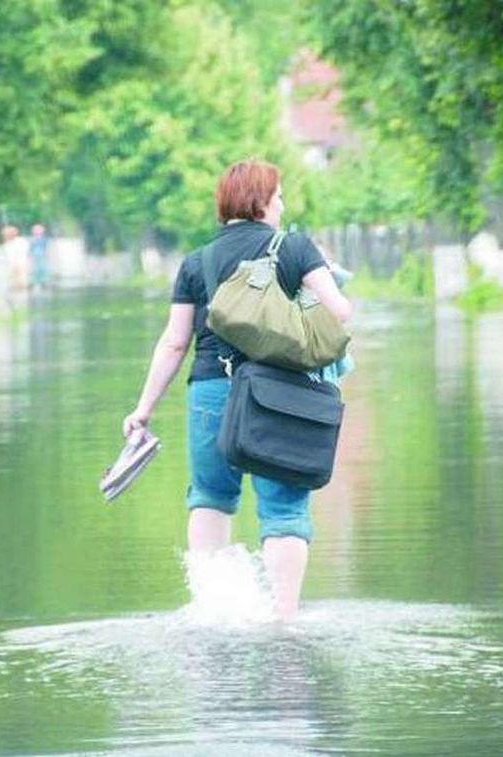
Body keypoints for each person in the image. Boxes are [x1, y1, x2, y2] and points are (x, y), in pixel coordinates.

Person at [121, 159, 353, 620]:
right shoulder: (295, 248)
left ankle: (212, 609)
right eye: (279, 195)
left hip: (211, 391)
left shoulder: (196, 262)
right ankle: (284, 619)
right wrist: (322, 274)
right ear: (262, 201)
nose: (282, 204)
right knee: (284, 509)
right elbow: (340, 312)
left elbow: (174, 342)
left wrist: (143, 409)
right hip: (279, 395)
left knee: (210, 496)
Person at [1, 224, 31, 297]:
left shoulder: (21, 241)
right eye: (4, 235)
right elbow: (6, 254)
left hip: (21, 262)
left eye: (7, 234)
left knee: (21, 277)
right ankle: (16, 290)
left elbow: (25, 251)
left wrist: (18, 262)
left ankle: (22, 291)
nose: (5, 236)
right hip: (12, 263)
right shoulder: (6, 243)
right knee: (13, 277)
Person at [29, 223, 50, 290]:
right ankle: (34, 282)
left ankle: (44, 282)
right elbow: (30, 248)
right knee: (35, 269)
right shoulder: (32, 239)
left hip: (42, 254)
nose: (36, 231)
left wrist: (46, 253)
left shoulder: (44, 238)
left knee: (42, 268)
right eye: (35, 230)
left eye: (38, 230)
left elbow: (45, 247)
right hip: (35, 255)